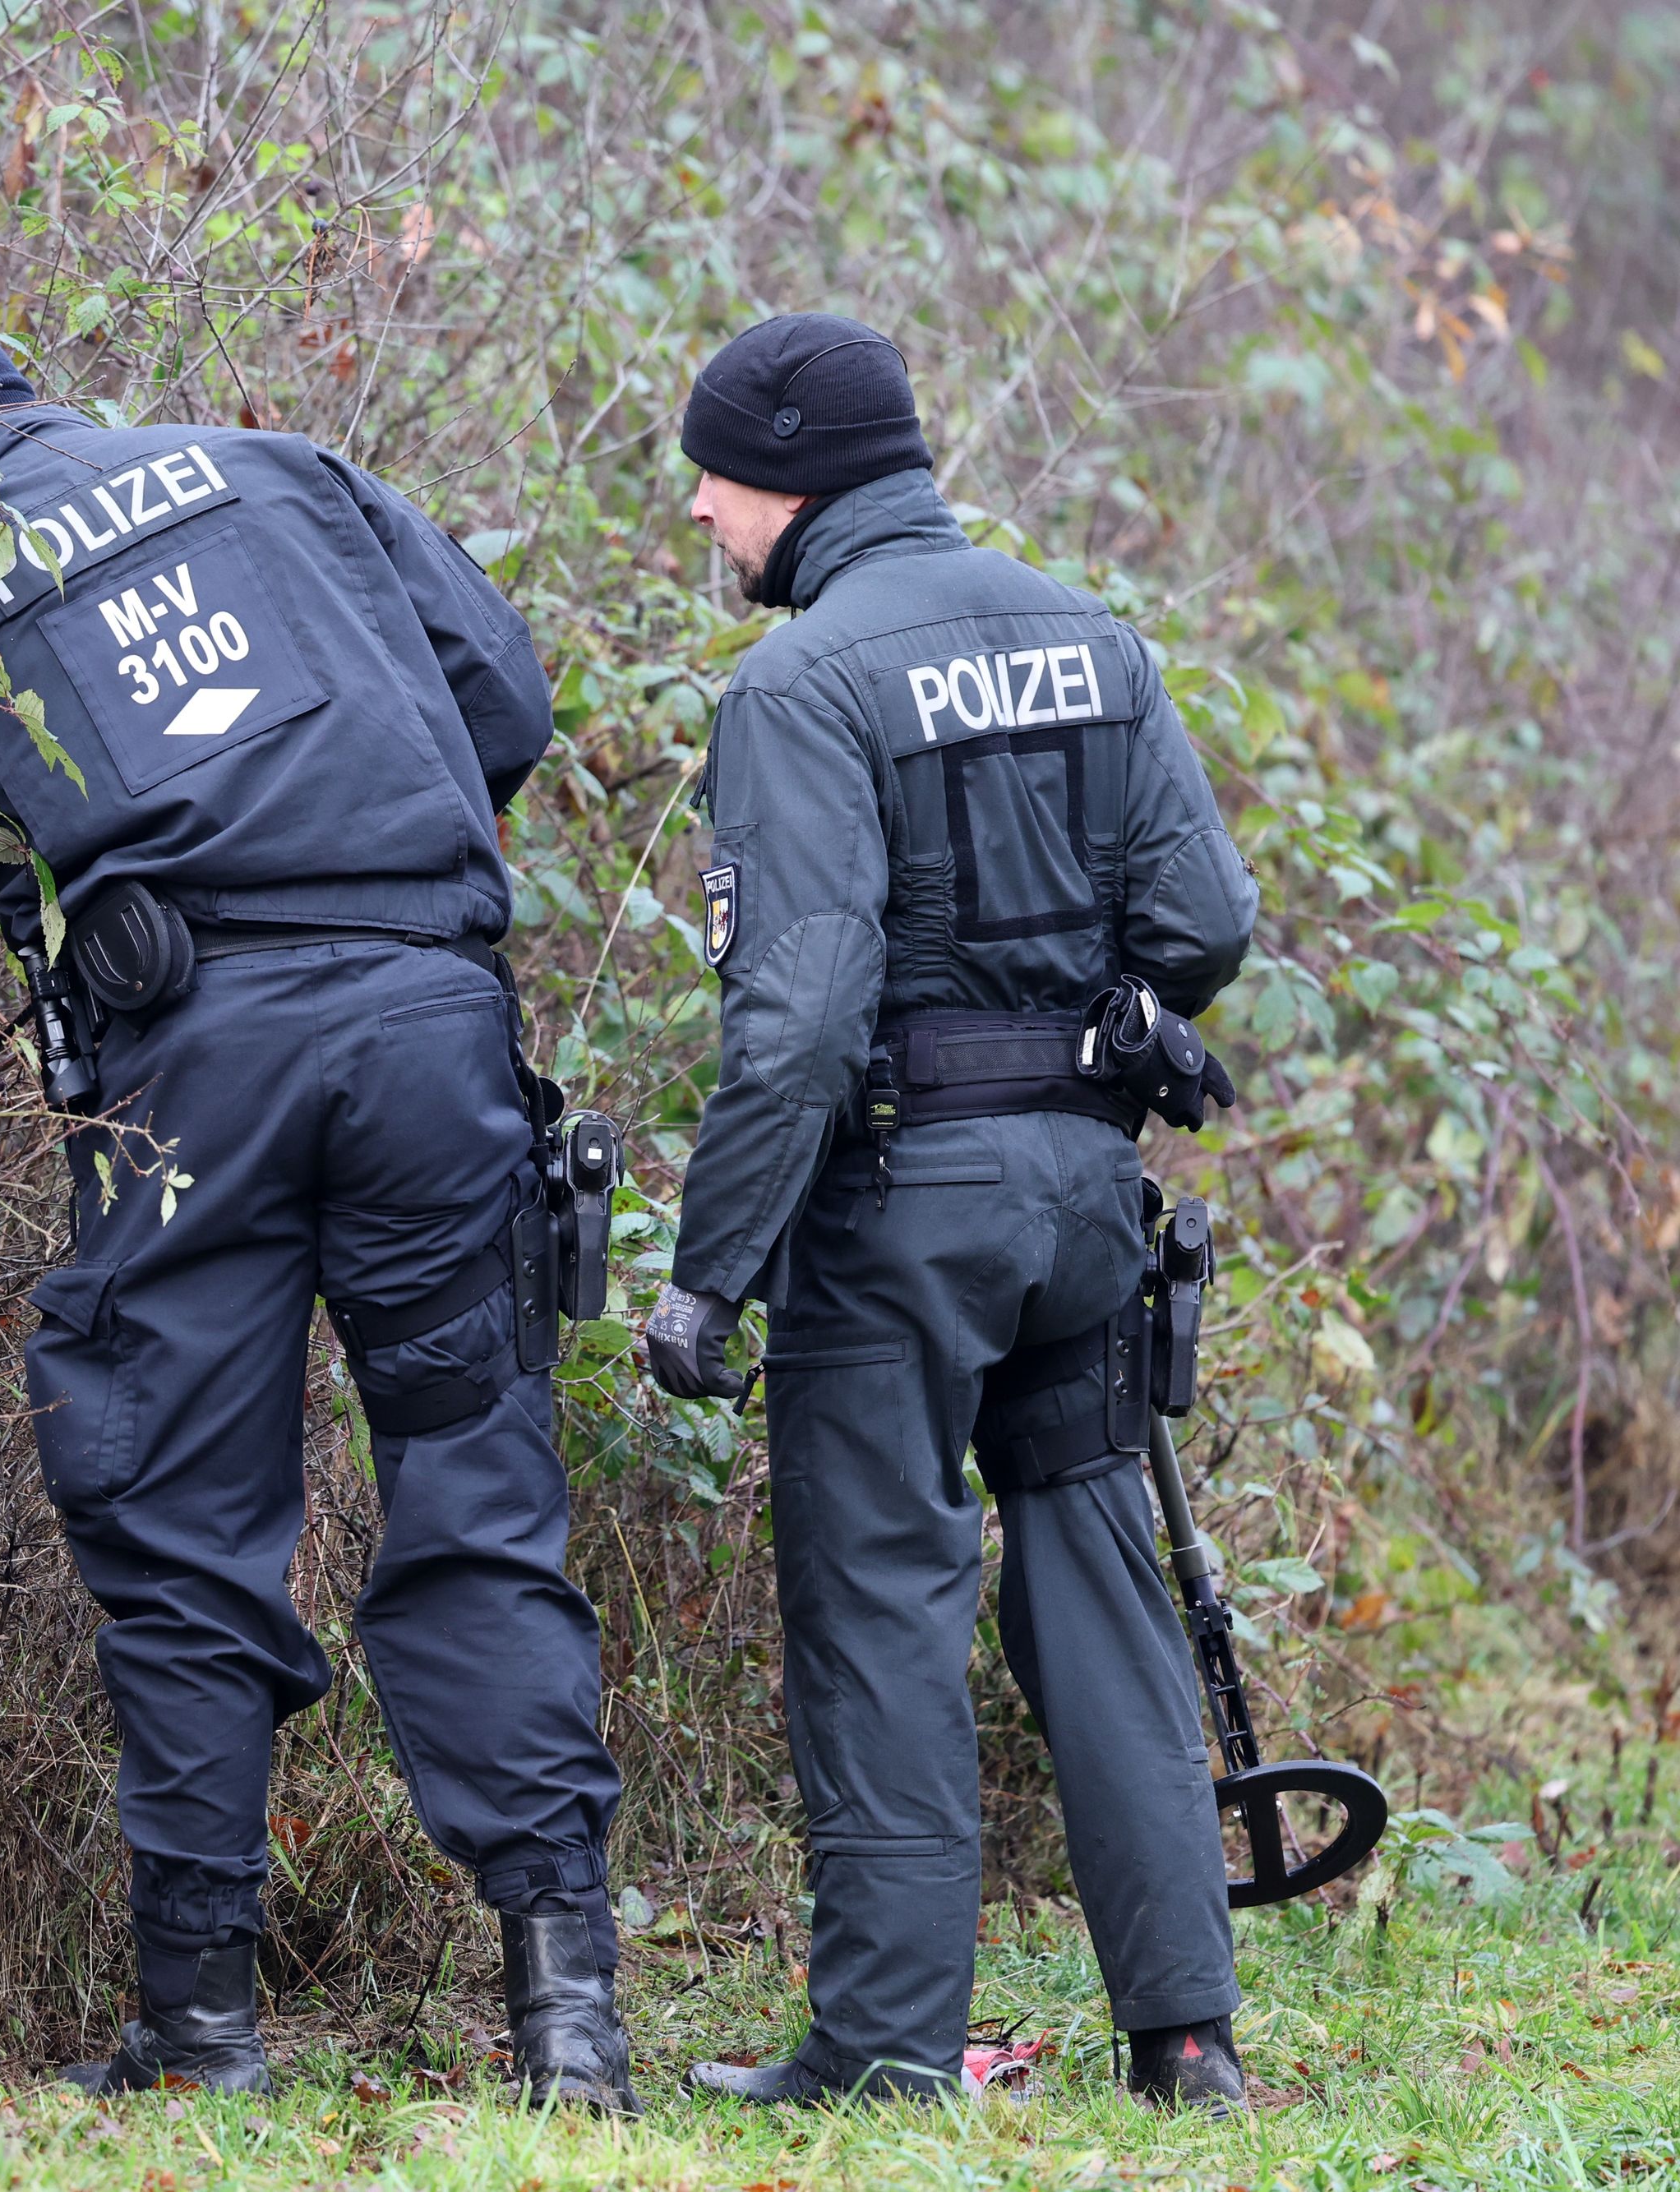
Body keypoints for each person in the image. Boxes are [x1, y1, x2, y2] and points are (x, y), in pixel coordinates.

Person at [0, 307, 634, 2107]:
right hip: (430, 1024)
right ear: (32, 395)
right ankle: (570, 2021)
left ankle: (202, 2031)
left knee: (179, 1523)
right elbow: (503, 694)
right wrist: (360, 861)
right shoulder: (283, 471)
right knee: (476, 1493)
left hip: (199, 1069)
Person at [637, 315, 1259, 2110]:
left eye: (710, 480)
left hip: (898, 1210)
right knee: (1092, 1574)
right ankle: (1184, 2033)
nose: (695, 509)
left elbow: (800, 1015)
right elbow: (1202, 924)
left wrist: (709, 1279)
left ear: (787, 476)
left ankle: (887, 2048)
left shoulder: (801, 682)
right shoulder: (1086, 632)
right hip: (1079, 1196)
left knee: (879, 1598)